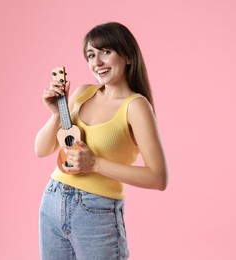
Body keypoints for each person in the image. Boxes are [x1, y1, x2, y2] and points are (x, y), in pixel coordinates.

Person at [35, 22, 168, 260]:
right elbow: (41, 149)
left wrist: (95, 164)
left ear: (127, 55)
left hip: (96, 211)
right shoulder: (83, 93)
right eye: (90, 55)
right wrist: (56, 113)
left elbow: (158, 178)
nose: (97, 62)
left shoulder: (136, 106)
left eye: (106, 51)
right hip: (53, 200)